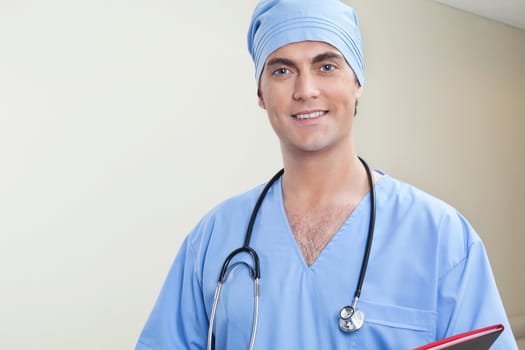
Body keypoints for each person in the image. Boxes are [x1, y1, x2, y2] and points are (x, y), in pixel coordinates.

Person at [135, 0, 518, 348]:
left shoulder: (442, 238)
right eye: (282, 70)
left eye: (327, 66)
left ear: (357, 83)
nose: (306, 89)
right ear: (261, 93)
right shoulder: (214, 239)